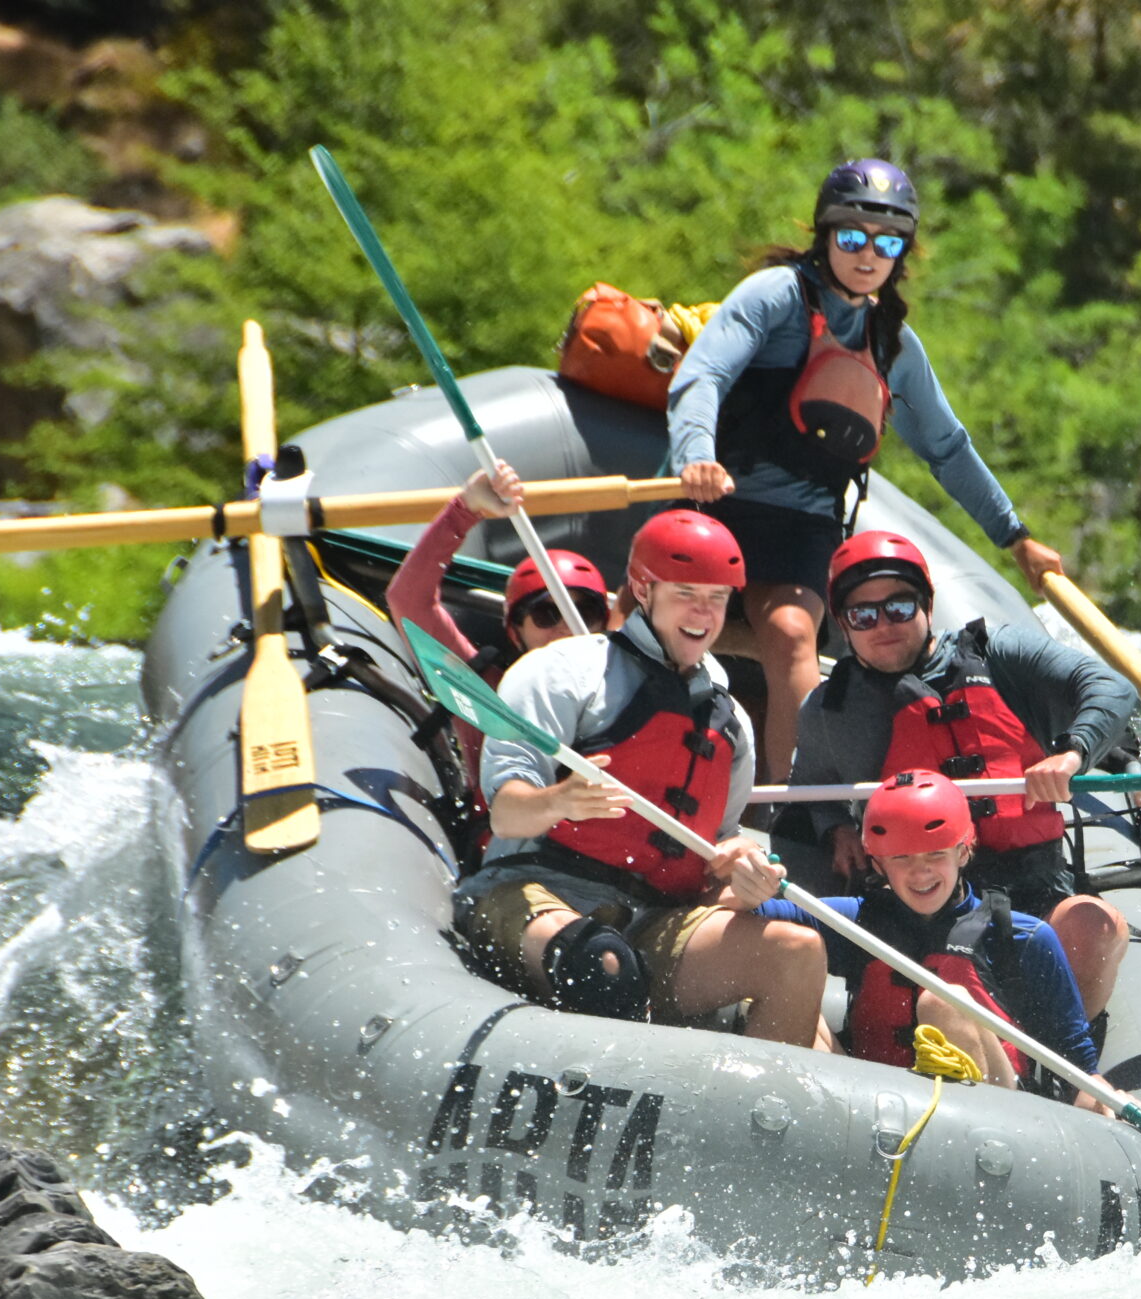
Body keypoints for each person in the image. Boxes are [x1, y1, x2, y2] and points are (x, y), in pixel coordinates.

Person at [666, 157, 1067, 782]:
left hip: (803, 522)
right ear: (826, 235)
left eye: (886, 243)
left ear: (901, 253)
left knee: (795, 634)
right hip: (716, 501)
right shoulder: (776, 297)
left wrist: (1013, 536)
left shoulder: (892, 343)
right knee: (659, 624)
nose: (866, 254)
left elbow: (947, 448)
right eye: (852, 237)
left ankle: (795, 815)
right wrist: (695, 455)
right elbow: (704, 375)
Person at [457, 507, 828, 1049]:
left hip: (650, 918)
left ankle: (763, 1125)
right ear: (642, 587)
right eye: (686, 592)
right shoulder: (564, 672)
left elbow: (716, 850)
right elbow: (508, 809)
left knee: (796, 954)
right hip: (531, 890)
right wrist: (560, 799)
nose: (703, 611)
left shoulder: (732, 726)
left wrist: (742, 875)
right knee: (603, 963)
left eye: (718, 597)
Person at [788, 529, 1134, 1021]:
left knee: (1097, 927)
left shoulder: (1002, 655)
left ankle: (1062, 1065)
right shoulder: (830, 710)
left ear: (927, 604)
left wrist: (1072, 753)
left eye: (900, 607)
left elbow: (1111, 687)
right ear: (844, 625)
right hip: (916, 891)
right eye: (863, 615)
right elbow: (811, 792)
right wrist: (835, 828)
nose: (883, 624)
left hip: (1032, 880)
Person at [757, 770, 1111, 1108]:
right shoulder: (854, 919)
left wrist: (1097, 1096)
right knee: (790, 973)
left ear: (963, 851)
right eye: (901, 858)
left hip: (996, 1118)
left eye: (935, 854)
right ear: (878, 864)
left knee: (944, 1001)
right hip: (867, 1104)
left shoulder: (1024, 937)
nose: (920, 871)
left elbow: (1078, 1065)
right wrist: (749, 875)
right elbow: (753, 912)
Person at [388, 460, 616, 792]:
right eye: (546, 615)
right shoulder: (483, 691)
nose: (567, 628)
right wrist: (464, 510)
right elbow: (408, 601)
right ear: (515, 632)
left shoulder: (627, 687)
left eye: (584, 613)